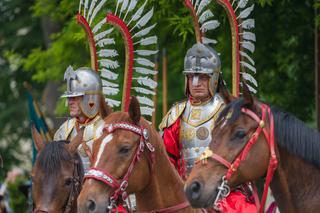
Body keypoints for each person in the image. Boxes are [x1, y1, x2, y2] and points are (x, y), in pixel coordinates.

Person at [159, 43, 257, 212]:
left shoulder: (229, 112)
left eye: (203, 77)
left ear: (214, 79)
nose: (196, 83)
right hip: (185, 191)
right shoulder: (176, 115)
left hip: (226, 192)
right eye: (191, 77)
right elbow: (167, 161)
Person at [54, 66, 107, 170]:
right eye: (69, 98)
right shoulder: (64, 131)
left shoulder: (105, 129)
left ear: (89, 98)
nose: (69, 102)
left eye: (74, 97)